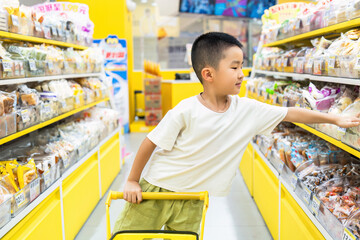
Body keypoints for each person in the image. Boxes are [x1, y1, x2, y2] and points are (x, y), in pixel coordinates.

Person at [113, 32, 360, 234]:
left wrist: (335, 118)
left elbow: (291, 113)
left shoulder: (246, 109)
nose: (242, 73)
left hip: (192, 199)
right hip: (156, 189)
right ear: (208, 74)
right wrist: (133, 180)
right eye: (234, 67)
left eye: (242, 65)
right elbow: (150, 142)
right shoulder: (186, 111)